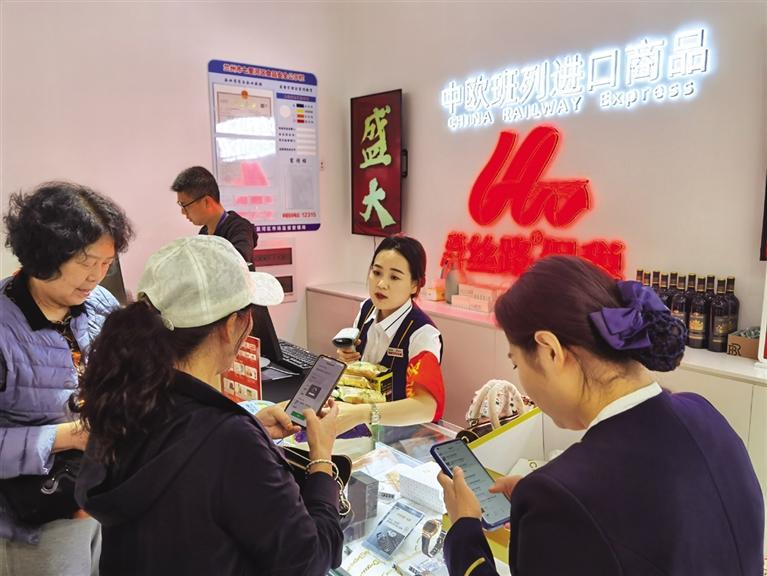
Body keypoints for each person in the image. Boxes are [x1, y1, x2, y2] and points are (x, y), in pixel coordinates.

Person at [438, 255, 765, 576]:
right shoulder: (704, 414)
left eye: (515, 363)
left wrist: (465, 529)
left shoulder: (557, 498)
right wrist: (543, 503)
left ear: (550, 351)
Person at [73, 235, 343, 576]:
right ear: (230, 327)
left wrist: (250, 424)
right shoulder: (230, 441)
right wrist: (321, 461)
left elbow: (184, 458)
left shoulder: (125, 399)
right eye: (248, 314)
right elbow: (309, 560)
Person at [0, 182, 133, 575]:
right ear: (46, 253)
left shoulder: (101, 305)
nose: (97, 276)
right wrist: (68, 436)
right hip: (34, 517)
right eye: (86, 261)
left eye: (107, 263)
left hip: (100, 494)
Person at [336, 235, 445, 432]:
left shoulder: (423, 335)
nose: (381, 284)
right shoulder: (367, 308)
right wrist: (349, 358)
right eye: (377, 272)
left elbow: (427, 407)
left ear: (415, 285)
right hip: (365, 429)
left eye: (394, 277)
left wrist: (362, 413)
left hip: (405, 436)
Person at [171, 165, 258, 269]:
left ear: (206, 202)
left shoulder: (239, 228)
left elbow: (238, 263)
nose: (183, 212)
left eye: (185, 205)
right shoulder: (204, 232)